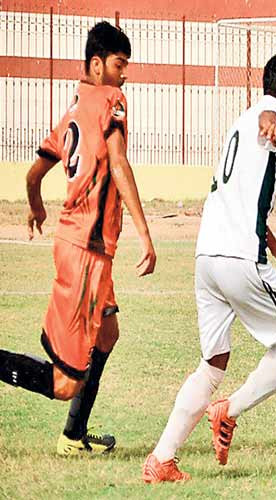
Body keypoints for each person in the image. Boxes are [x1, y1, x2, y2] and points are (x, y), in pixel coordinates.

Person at [142, 52, 276, 483]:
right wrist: (273, 121)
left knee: (214, 361)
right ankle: (228, 411)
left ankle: (161, 459)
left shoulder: (240, 121)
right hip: (239, 258)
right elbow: (274, 116)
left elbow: (242, 196)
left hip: (207, 258)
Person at [0, 21, 156, 456]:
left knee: (107, 335)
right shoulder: (111, 100)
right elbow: (118, 163)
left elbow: (34, 174)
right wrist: (145, 233)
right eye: (120, 64)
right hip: (87, 251)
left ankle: (73, 435)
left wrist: (36, 206)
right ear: (97, 64)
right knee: (65, 382)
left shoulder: (73, 110)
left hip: (82, 246)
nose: (125, 74)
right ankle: (68, 432)